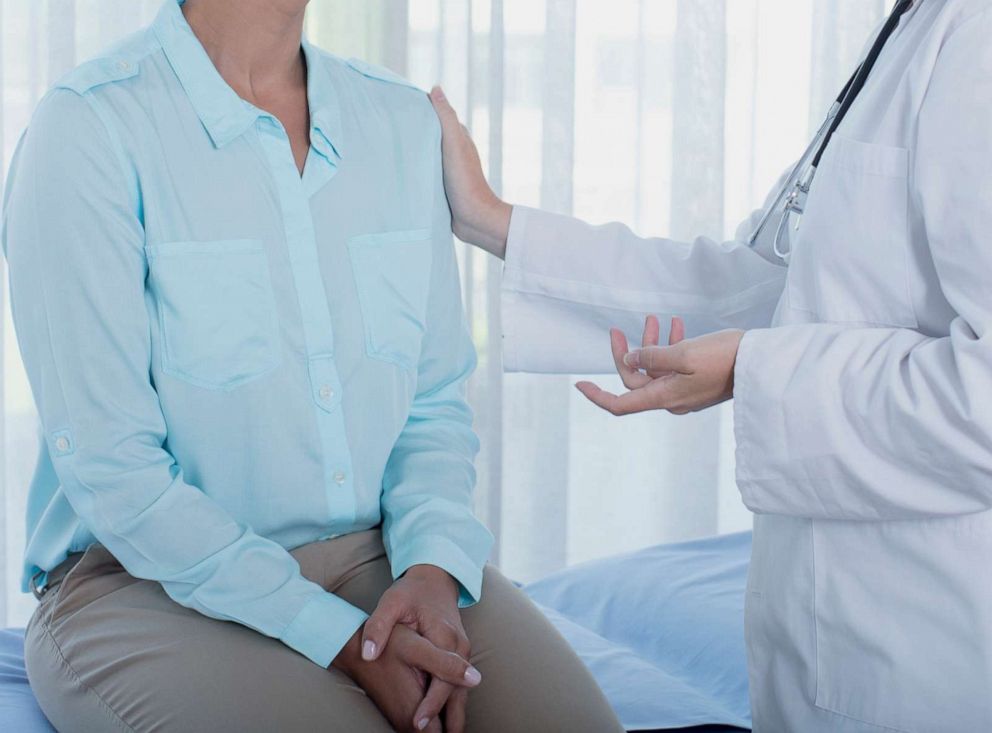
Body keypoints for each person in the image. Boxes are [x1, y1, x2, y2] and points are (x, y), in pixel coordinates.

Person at [1, 1, 625, 732]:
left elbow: (430, 402)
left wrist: (431, 564)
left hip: (376, 552)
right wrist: (332, 636)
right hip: (137, 581)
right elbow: (114, 468)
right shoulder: (89, 129)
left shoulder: (397, 120)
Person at [428, 0, 992, 730]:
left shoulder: (975, 34)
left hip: (919, 662)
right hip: (830, 639)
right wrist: (489, 219)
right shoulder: (911, 28)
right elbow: (768, 286)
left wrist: (755, 370)